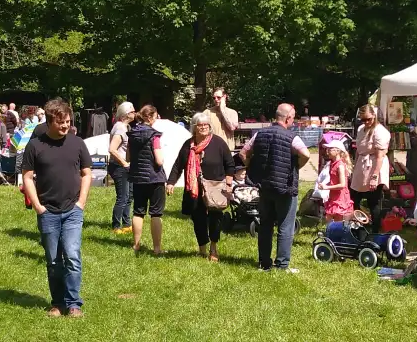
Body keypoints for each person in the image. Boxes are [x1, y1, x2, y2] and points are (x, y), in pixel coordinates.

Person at [22, 99, 92, 318]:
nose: (66, 126)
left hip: (73, 210)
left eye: (69, 122)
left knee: (72, 256)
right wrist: (38, 206)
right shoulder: (35, 146)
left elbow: (87, 173)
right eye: (61, 123)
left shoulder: (77, 143)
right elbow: (26, 177)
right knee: (53, 260)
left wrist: (81, 202)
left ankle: (74, 304)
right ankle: (57, 303)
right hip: (48, 212)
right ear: (51, 121)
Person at [240, 103, 311, 273]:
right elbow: (306, 154)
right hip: (284, 188)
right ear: (288, 118)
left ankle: (264, 264)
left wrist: (252, 166)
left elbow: (243, 153)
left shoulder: (259, 134)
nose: (293, 121)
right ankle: (282, 265)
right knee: (285, 226)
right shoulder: (291, 137)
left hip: (264, 187)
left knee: (265, 225)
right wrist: (296, 168)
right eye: (293, 118)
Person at [166, 111, 235, 261]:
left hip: (215, 187)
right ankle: (202, 248)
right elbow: (178, 165)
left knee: (215, 218)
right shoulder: (188, 145)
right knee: (198, 218)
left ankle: (214, 248)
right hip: (195, 189)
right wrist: (170, 182)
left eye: (206, 125)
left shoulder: (218, 143)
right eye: (200, 125)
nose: (203, 127)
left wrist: (228, 183)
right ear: (194, 127)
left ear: (209, 127)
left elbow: (230, 164)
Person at [127, 105, 166, 255]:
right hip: (155, 178)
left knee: (138, 212)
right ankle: (157, 248)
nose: (156, 119)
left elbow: (128, 158)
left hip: (137, 178)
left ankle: (136, 245)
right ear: (149, 117)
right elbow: (159, 160)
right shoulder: (154, 136)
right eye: (155, 116)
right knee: (156, 213)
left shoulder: (132, 134)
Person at [350, 105, 391, 214]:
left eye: (368, 119)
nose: (366, 122)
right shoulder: (361, 129)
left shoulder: (380, 132)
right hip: (362, 165)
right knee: (354, 197)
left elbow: (380, 156)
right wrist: (355, 166)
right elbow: (359, 150)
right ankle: (358, 224)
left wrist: (374, 177)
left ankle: (375, 230)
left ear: (374, 115)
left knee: (373, 201)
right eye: (363, 120)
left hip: (375, 166)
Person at [108, 102, 135, 233]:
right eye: (132, 112)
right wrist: (124, 163)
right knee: (122, 197)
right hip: (119, 167)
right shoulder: (120, 128)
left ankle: (126, 223)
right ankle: (116, 226)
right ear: (125, 114)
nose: (134, 114)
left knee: (129, 196)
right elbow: (112, 149)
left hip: (125, 167)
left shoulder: (126, 127)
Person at [316, 132, 354, 220]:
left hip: (340, 197)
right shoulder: (332, 164)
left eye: (330, 149)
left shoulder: (340, 165)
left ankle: (337, 232)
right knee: (329, 218)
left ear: (337, 151)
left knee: (337, 220)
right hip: (333, 195)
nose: (327, 151)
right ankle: (331, 232)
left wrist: (326, 187)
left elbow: (342, 185)